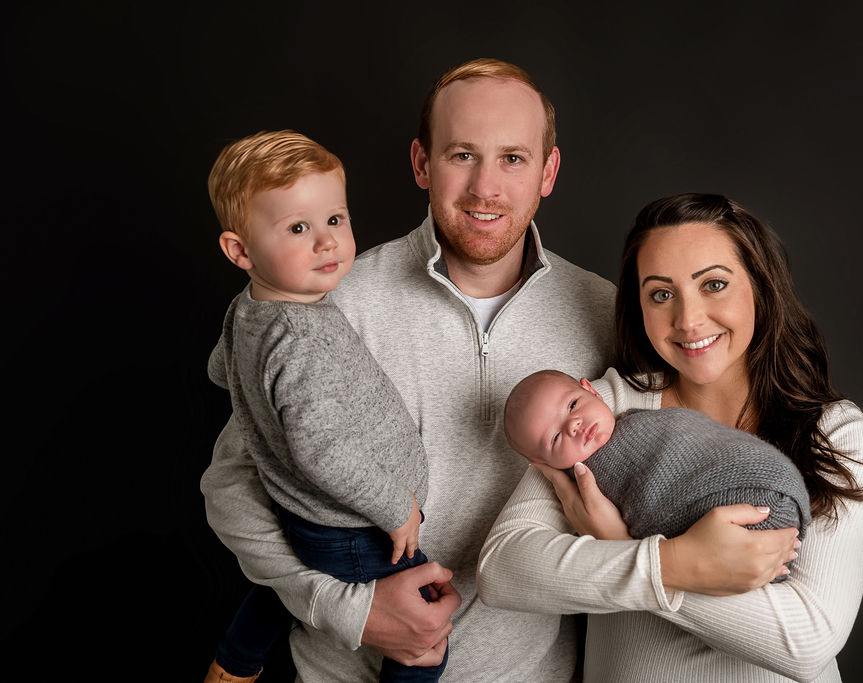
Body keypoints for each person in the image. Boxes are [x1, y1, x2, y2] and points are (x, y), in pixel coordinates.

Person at [201, 60, 797, 682]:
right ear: (422, 163)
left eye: (513, 158)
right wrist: (348, 609)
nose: (486, 187)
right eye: (462, 155)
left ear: (548, 172)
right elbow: (232, 488)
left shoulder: (608, 313)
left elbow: (689, 441)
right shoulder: (327, 303)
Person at [478, 193, 863, 682]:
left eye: (714, 284)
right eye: (661, 294)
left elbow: (807, 642)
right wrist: (669, 564)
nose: (688, 320)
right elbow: (503, 569)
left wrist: (619, 542)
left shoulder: (837, 434)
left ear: (760, 287)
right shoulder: (605, 407)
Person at [203, 130, 446, 682]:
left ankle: (233, 665)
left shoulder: (249, 309)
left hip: (308, 517)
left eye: (335, 219)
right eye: (298, 228)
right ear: (240, 251)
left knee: (283, 590)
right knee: (426, 637)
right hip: (354, 525)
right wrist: (397, 508)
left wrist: (259, 392)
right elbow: (321, 451)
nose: (327, 242)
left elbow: (221, 370)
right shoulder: (300, 337)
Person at [502, 369, 810, 572]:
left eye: (572, 406)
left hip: (763, 478)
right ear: (545, 464)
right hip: (731, 527)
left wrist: (619, 544)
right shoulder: (586, 484)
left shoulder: (637, 416)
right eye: (556, 438)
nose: (574, 425)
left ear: (592, 391)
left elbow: (701, 440)